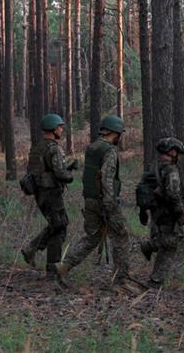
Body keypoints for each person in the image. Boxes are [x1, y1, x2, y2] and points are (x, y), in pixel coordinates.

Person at [55, 115, 132, 287]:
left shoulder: (92, 147)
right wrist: (110, 204)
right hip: (104, 201)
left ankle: (64, 266)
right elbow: (106, 178)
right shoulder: (109, 150)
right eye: (119, 134)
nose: (120, 137)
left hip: (90, 199)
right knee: (121, 236)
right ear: (114, 133)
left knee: (93, 237)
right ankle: (121, 279)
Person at [21, 114, 74, 279]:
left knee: (58, 227)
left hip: (40, 192)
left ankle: (52, 269)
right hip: (51, 193)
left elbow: (41, 169)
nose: (61, 129)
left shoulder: (37, 147)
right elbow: (60, 173)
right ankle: (33, 250)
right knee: (60, 225)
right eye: (59, 127)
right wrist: (70, 175)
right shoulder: (54, 148)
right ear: (53, 129)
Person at [140, 137, 184, 288]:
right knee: (170, 243)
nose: (178, 156)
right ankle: (156, 280)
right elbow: (173, 194)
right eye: (178, 153)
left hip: (156, 211)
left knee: (165, 241)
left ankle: (155, 276)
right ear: (172, 152)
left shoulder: (153, 166)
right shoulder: (170, 169)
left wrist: (143, 211)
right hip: (168, 212)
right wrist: (180, 213)